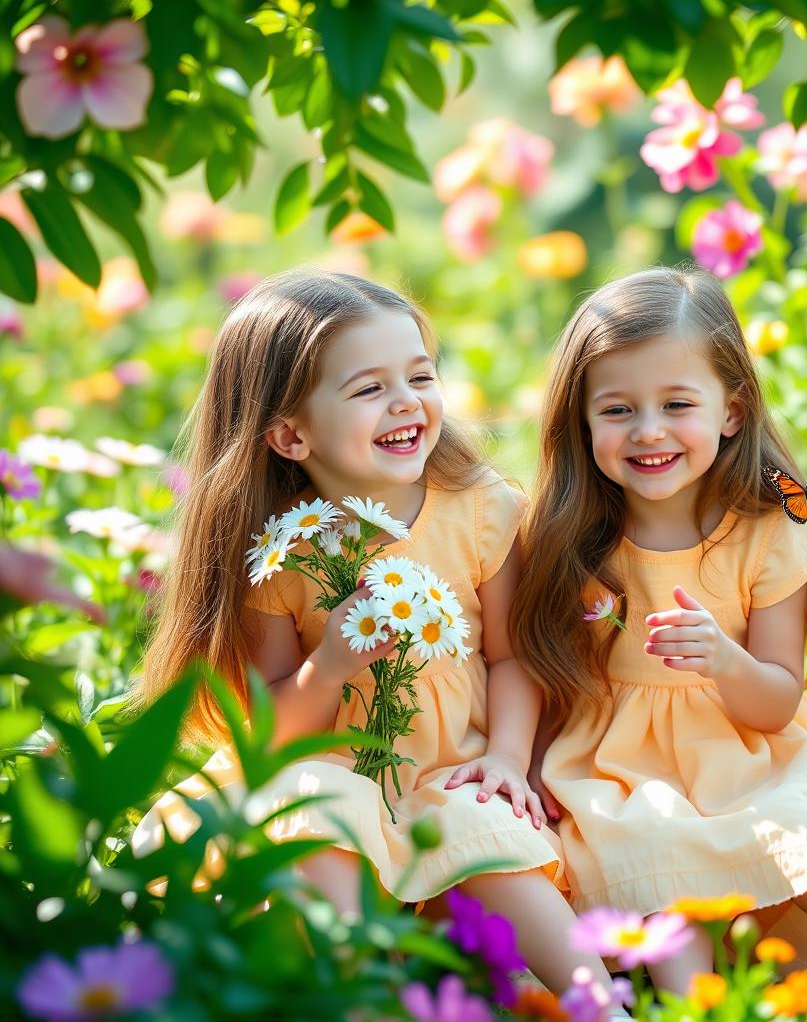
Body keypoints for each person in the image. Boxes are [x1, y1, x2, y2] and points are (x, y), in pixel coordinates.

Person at [510, 265, 807, 1022]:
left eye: (678, 404)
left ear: (732, 411)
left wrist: (723, 658)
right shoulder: (570, 536)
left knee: (806, 848)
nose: (648, 430)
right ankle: (705, 1009)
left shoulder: (769, 530)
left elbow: (776, 702)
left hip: (751, 753)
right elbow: (546, 668)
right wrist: (533, 767)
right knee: (654, 854)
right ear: (580, 420)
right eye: (617, 409)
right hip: (619, 769)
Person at [130, 269, 624, 1005]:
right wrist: (326, 668)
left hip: (449, 769)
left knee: (486, 834)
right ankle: (361, 996)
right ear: (290, 434)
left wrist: (506, 760)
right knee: (320, 809)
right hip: (333, 771)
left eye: (420, 375)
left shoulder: (481, 509)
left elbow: (512, 653)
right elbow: (265, 731)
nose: (407, 402)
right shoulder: (284, 552)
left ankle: (600, 1004)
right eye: (369, 389)